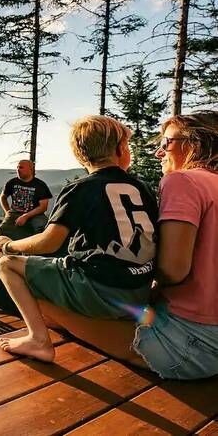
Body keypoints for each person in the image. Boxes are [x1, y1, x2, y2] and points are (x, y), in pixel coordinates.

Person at [25, 112, 218, 380]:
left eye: (167, 143)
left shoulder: (183, 180)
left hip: (189, 345)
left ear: (198, 142)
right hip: (204, 331)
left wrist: (130, 277)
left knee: (40, 302)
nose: (159, 153)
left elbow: (173, 271)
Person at [0, 115, 158, 362]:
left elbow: (49, 243)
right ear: (121, 150)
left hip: (98, 292)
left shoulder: (82, 188)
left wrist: (8, 246)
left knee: (7, 266)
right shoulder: (143, 187)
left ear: (80, 156)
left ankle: (38, 340)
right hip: (139, 292)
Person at [0, 160, 52, 240]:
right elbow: (3, 197)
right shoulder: (12, 182)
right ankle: (0, 248)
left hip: (35, 214)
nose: (18, 169)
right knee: (2, 229)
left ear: (30, 169)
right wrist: (7, 211)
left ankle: (36, 250)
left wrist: (26, 216)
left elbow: (43, 207)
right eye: (17, 167)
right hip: (15, 213)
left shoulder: (40, 185)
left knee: (42, 227)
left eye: (21, 167)